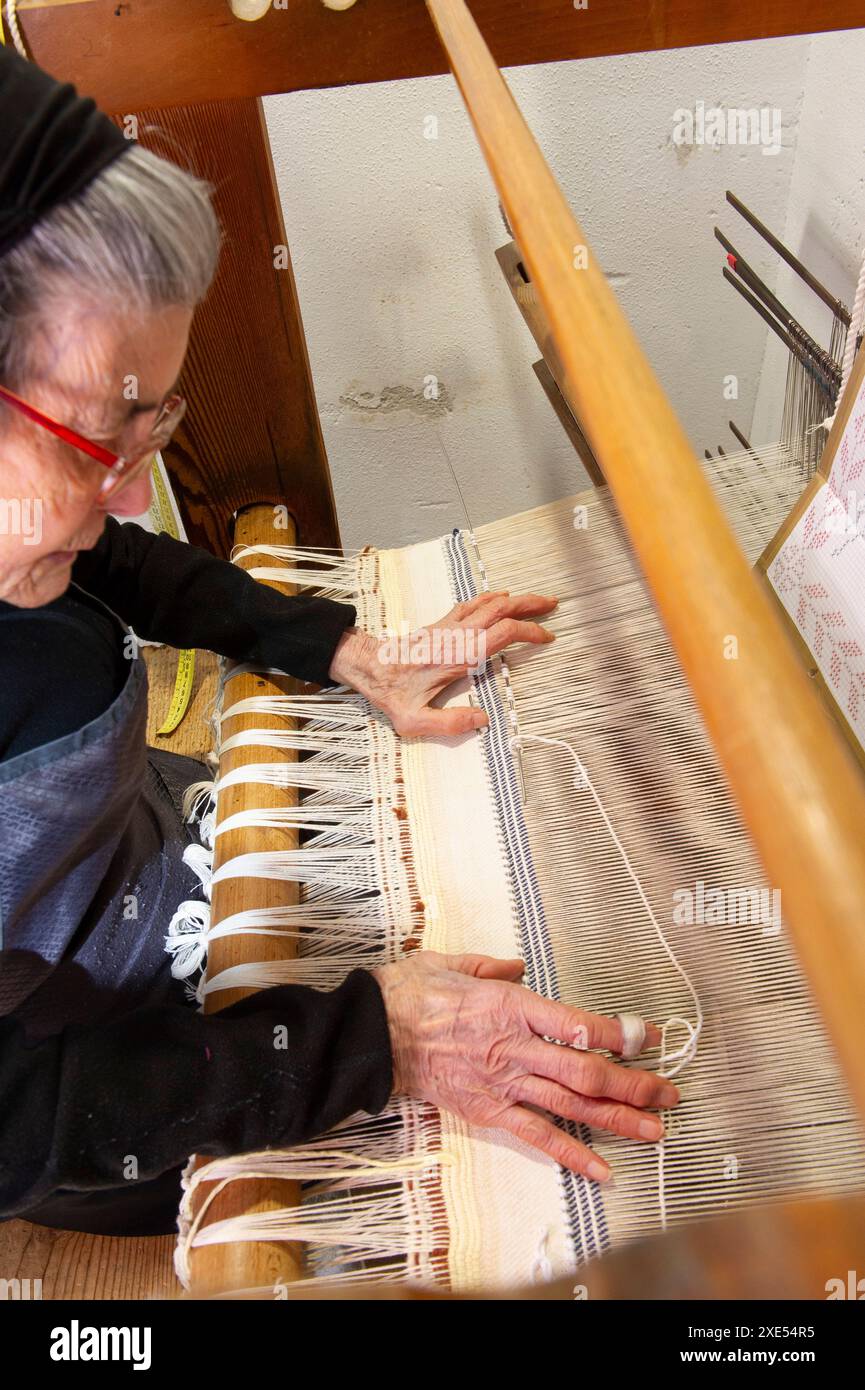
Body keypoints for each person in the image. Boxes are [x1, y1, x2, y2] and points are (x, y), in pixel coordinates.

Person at [0, 47, 678, 1238]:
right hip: (106, 1091)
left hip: (165, 873)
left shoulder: (32, 517)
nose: (126, 498)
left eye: (149, 422)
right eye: (97, 439)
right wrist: (377, 1044)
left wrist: (341, 648)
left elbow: (120, 559)